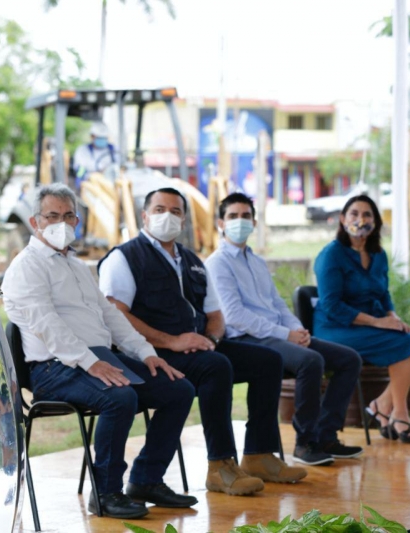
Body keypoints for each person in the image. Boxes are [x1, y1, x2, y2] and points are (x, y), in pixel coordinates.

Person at [2, 183, 196, 519]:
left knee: (178, 390)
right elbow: (48, 326)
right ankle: (105, 493)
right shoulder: (26, 267)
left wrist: (146, 352)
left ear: (76, 220)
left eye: (67, 216)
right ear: (35, 222)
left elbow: (111, 315)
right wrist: (90, 363)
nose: (60, 222)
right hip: (53, 367)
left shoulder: (77, 266)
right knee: (119, 398)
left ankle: (146, 481)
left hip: (96, 358)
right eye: (51, 216)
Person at [98, 187, 307, 496]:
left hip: (195, 345)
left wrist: (208, 338)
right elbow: (115, 315)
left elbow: (215, 314)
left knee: (267, 360)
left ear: (184, 219)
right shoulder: (125, 257)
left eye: (175, 211)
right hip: (148, 352)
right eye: (159, 210)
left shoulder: (191, 260)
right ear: (144, 216)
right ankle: (220, 465)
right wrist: (173, 341)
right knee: (216, 366)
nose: (167, 216)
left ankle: (260, 454)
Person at [206, 193, 364, 466]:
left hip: (279, 334)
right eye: (233, 216)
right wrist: (285, 334)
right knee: (310, 361)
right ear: (221, 223)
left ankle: (326, 435)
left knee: (349, 359)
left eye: (246, 216)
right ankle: (305, 443)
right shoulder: (217, 263)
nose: (240, 221)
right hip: (247, 339)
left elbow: (277, 304)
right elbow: (235, 316)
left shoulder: (257, 261)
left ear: (254, 222)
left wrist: (298, 331)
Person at [313, 195, 410, 444]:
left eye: (367, 214)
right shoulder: (331, 255)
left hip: (371, 325)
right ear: (342, 219)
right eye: (354, 214)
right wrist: (378, 322)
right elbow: (331, 305)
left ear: (376, 222)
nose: (361, 220)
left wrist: (393, 316)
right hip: (336, 328)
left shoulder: (378, 254)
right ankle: (400, 415)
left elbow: (384, 294)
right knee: (404, 346)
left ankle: (382, 405)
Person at [72, 121, 119, 188]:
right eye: (99, 137)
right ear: (92, 137)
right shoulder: (82, 151)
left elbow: (119, 167)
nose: (102, 139)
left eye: (104, 137)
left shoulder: (114, 149)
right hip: (91, 184)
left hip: (111, 182)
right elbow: (80, 171)